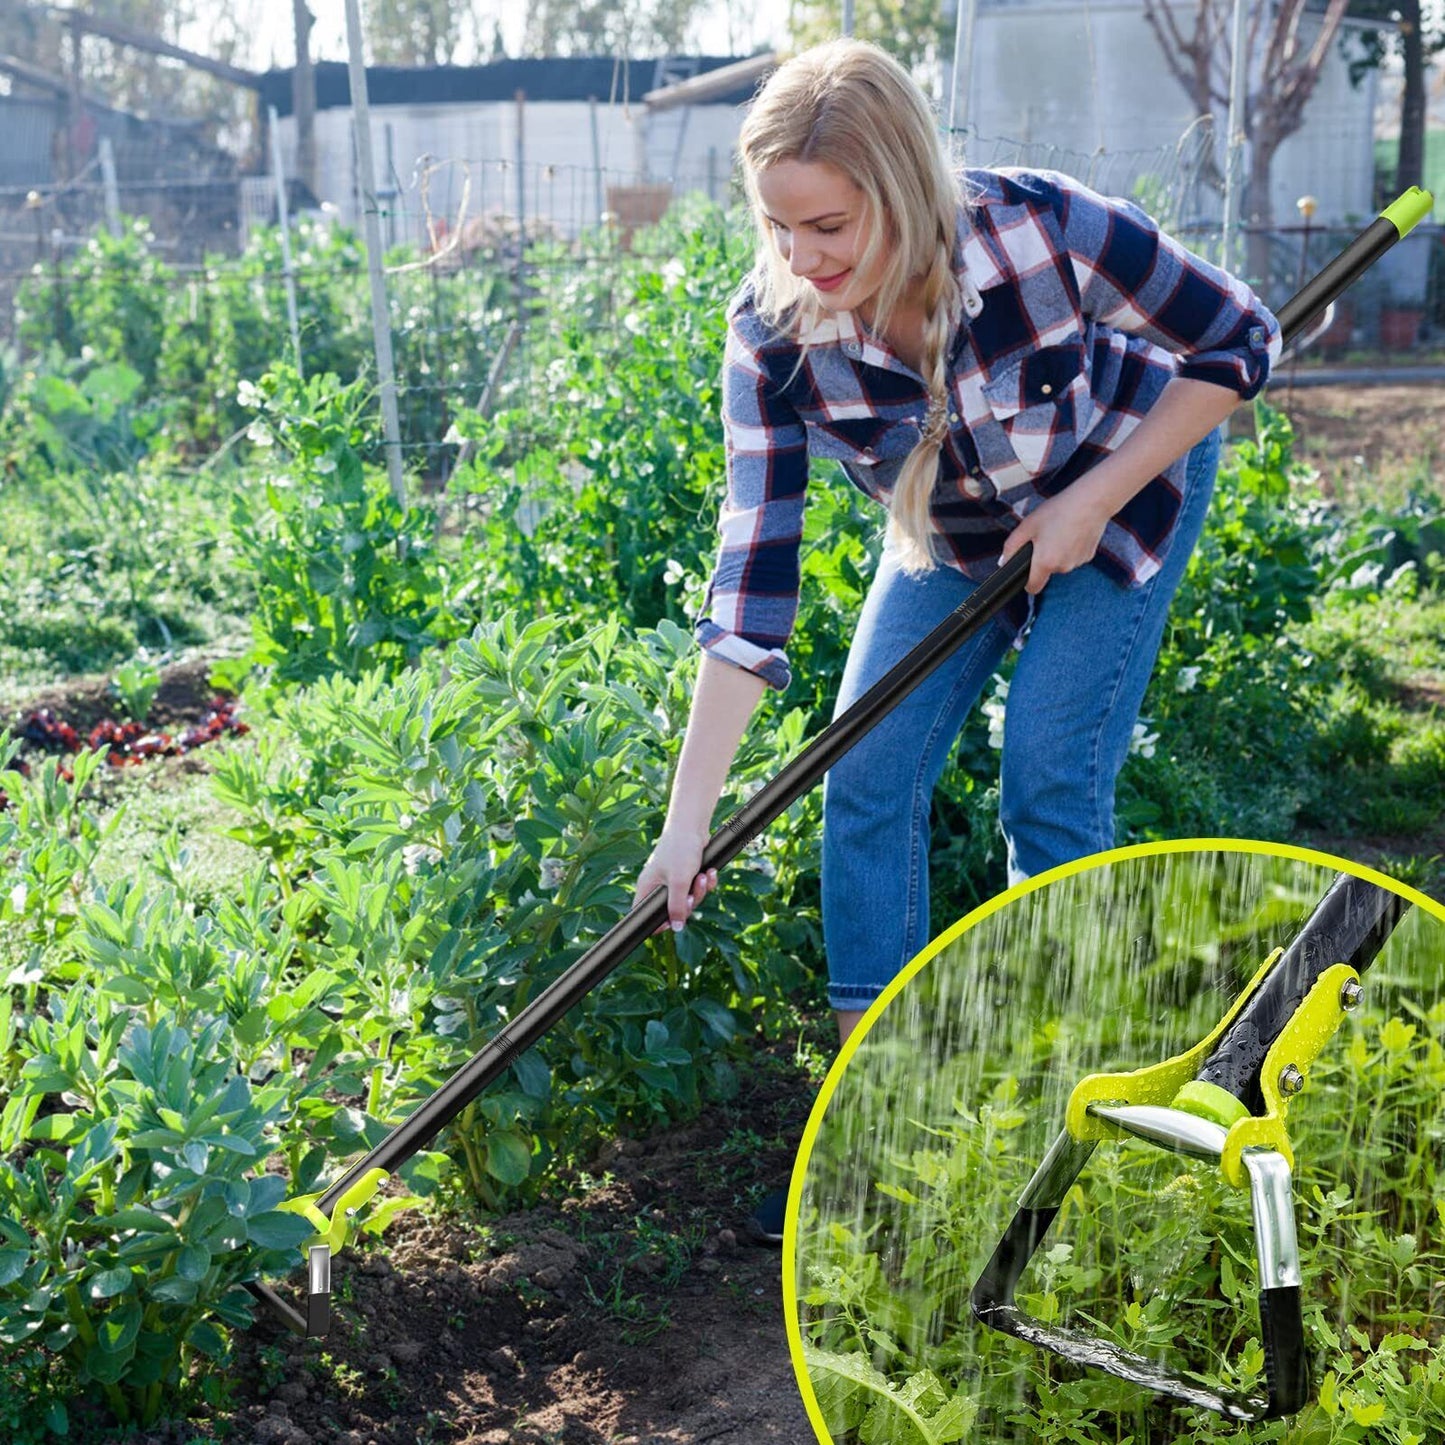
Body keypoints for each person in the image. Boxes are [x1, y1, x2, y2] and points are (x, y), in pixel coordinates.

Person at [631, 38, 1281, 1233]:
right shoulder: (774, 338)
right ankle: (882, 1110)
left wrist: (1089, 499)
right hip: (953, 524)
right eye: (777, 228)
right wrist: (686, 828)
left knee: (1045, 772)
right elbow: (750, 584)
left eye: (826, 226)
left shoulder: (1041, 229)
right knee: (862, 771)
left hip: (1124, 477)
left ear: (902, 186)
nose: (800, 259)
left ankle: (1081, 1103)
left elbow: (1238, 341)